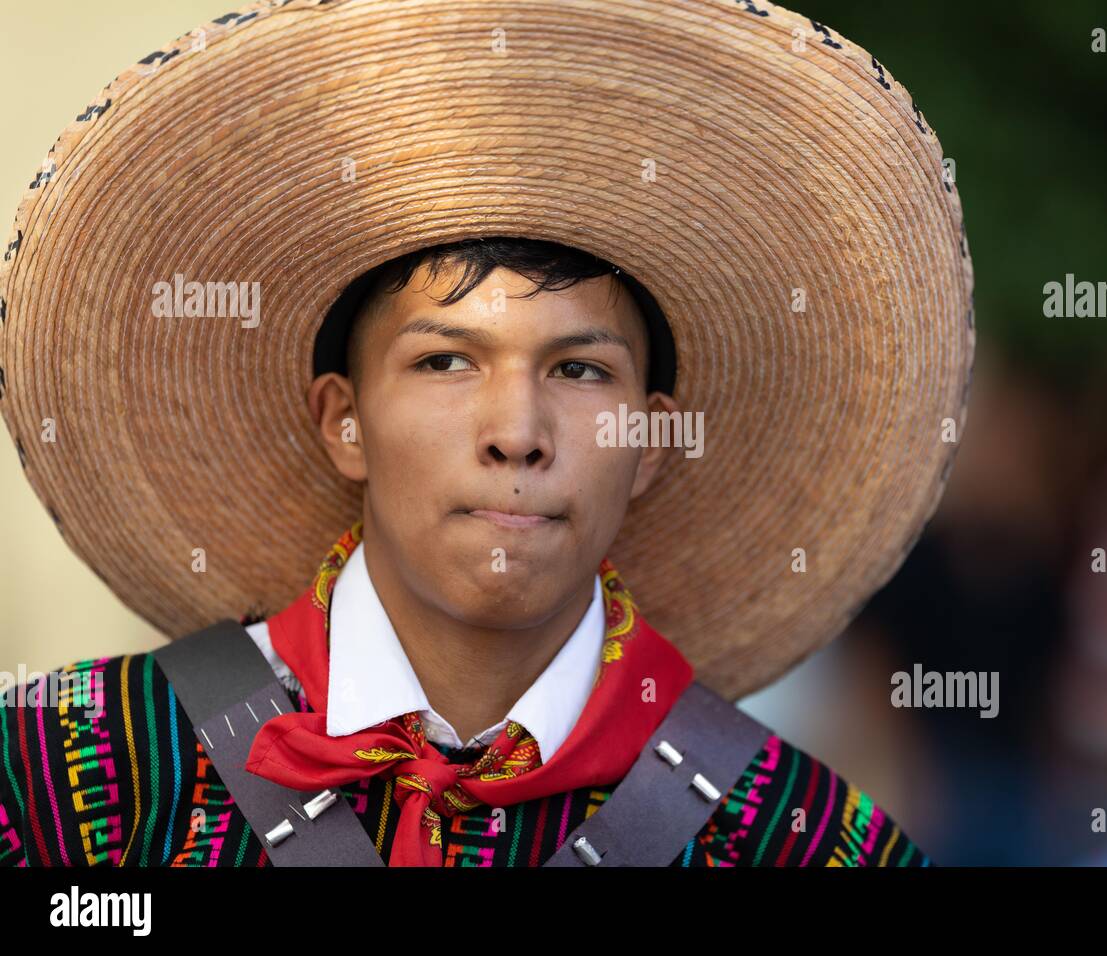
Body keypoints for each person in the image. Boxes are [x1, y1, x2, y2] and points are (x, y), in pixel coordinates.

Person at [0, 0, 973, 867]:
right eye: (444, 361)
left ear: (652, 441)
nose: (516, 431)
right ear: (344, 421)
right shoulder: (64, 772)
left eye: (581, 370)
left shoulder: (802, 840)